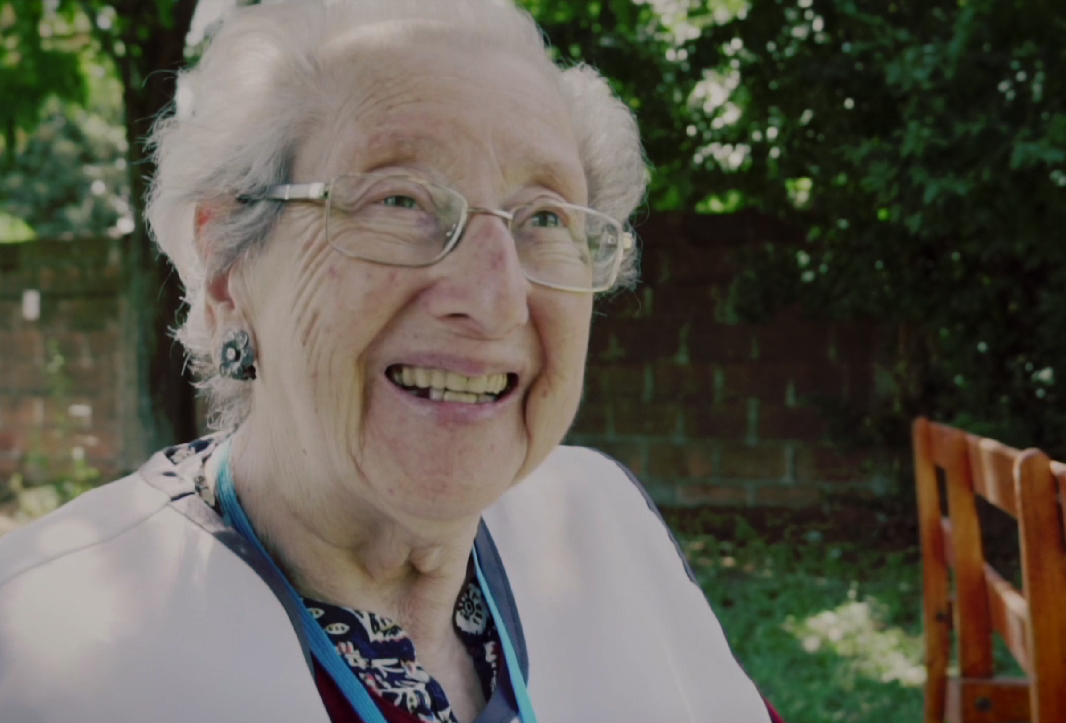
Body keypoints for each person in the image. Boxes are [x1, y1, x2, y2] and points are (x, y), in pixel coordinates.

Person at [0, 1, 784, 721]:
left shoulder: (604, 522)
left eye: (545, 217)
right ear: (226, 267)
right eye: (399, 200)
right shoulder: (49, 650)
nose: (496, 298)